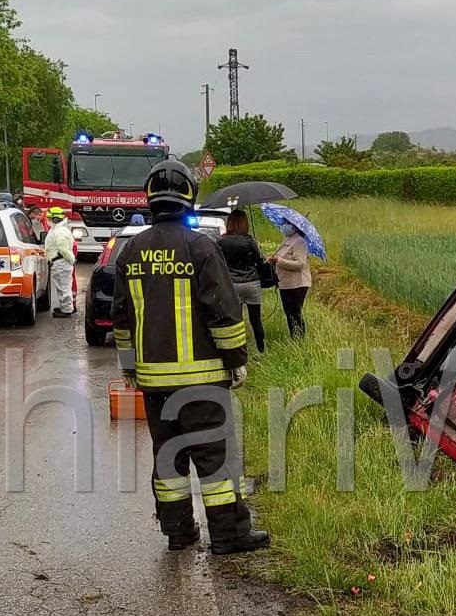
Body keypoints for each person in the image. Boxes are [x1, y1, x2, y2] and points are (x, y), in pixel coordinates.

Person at [111, 160, 270, 555]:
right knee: (215, 459)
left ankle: (178, 532)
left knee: (169, 459)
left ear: (150, 198)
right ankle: (228, 535)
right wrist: (236, 359)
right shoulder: (200, 247)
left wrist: (129, 366)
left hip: (154, 384)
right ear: (189, 197)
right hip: (202, 382)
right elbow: (223, 310)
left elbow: (121, 319)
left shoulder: (132, 250)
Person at [218, 210, 266, 353]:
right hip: (251, 283)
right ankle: (261, 349)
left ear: (229, 223)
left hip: (232, 284)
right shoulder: (249, 240)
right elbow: (260, 261)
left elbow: (218, 261)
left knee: (236, 321)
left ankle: (238, 350)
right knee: (256, 320)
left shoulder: (221, 241)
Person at [270, 222, 311, 338]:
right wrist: (273, 260)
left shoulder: (299, 242)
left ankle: (299, 339)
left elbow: (300, 264)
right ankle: (294, 337)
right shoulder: (287, 240)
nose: (284, 226)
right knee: (289, 313)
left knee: (295, 313)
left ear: (294, 227)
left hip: (297, 284)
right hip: (285, 283)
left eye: (287, 224)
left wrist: (279, 261)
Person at [43, 207, 77, 318]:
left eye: (49, 218)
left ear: (54, 219)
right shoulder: (58, 230)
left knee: (64, 287)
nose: (47, 220)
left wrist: (71, 260)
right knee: (62, 286)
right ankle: (65, 307)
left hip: (61, 262)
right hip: (60, 262)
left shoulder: (59, 232)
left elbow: (63, 249)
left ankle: (66, 310)